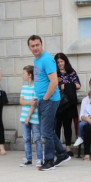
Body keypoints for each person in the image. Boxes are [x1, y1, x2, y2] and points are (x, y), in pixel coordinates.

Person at [27, 35, 70, 171]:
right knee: (46, 131)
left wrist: (45, 98)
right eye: (32, 46)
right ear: (29, 47)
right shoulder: (36, 60)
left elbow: (54, 82)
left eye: (37, 45)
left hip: (50, 100)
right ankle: (62, 154)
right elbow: (41, 80)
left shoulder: (47, 59)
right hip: (42, 100)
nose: (35, 48)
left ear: (41, 44)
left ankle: (50, 161)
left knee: (45, 132)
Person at [54, 53, 81, 156]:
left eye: (61, 61)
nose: (60, 64)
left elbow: (78, 85)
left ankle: (68, 148)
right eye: (58, 62)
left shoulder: (71, 72)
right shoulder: (54, 73)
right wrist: (56, 82)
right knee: (57, 126)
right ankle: (57, 147)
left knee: (67, 126)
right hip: (57, 102)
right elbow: (48, 85)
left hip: (69, 102)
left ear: (65, 61)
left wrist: (66, 85)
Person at [19, 65, 43, 167]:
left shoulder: (36, 87)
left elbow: (35, 104)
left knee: (37, 138)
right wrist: (29, 102)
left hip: (34, 117)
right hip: (24, 116)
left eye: (24, 73)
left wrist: (28, 116)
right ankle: (28, 159)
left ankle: (39, 159)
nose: (22, 75)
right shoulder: (24, 87)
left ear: (29, 75)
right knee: (26, 139)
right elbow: (21, 101)